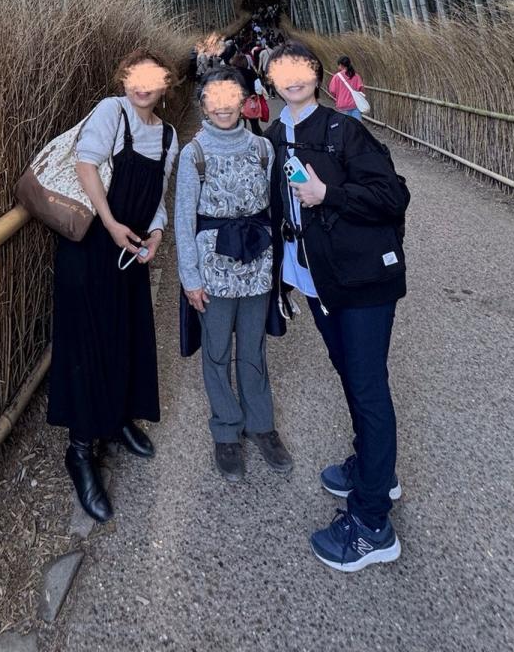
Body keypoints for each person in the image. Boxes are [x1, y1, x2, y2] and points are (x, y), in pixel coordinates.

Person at [264, 40, 410, 572]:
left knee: (368, 387)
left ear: (317, 73)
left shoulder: (343, 130)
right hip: (316, 281)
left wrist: (330, 195)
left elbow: (394, 196)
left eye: (301, 67)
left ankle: (372, 525)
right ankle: (375, 470)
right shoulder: (274, 136)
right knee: (350, 373)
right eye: (281, 69)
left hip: (363, 281)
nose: (292, 76)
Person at [47, 48, 179, 523]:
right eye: (134, 77)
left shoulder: (168, 136)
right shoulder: (111, 111)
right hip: (91, 250)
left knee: (126, 336)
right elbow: (86, 167)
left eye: (152, 78)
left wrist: (157, 233)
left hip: (131, 250)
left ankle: (119, 417)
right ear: (124, 80)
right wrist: (110, 223)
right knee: (88, 343)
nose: (142, 86)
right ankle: (81, 451)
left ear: (166, 84)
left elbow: (159, 196)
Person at [175, 68, 292, 482]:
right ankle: (226, 429)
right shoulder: (194, 155)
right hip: (213, 267)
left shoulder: (263, 148)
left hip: (257, 263)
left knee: (254, 348)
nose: (223, 106)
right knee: (217, 348)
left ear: (244, 101)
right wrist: (190, 278)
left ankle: (261, 425)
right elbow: (184, 219)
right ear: (203, 104)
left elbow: (277, 206)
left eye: (231, 97)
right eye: (214, 98)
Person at [328, 55, 366, 121]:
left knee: (344, 126)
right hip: (355, 105)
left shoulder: (337, 76)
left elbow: (332, 90)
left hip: (342, 106)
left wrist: (338, 96)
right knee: (356, 125)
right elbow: (361, 89)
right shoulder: (356, 76)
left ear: (340, 65)